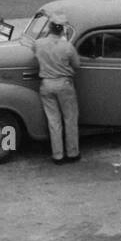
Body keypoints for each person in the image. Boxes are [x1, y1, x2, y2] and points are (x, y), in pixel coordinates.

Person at [33, 14, 81, 164]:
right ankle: (72, 152)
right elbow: (77, 65)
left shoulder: (38, 43)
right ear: (63, 31)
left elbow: (34, 50)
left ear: (49, 28)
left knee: (53, 121)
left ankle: (58, 155)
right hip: (64, 84)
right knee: (70, 119)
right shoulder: (67, 47)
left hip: (46, 84)